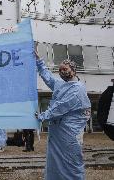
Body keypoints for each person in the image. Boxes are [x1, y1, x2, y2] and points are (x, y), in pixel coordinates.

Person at [35, 51, 91, 180]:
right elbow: (48, 77)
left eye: (65, 69)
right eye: (60, 70)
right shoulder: (61, 84)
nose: (62, 72)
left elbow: (61, 106)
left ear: (73, 70)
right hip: (57, 133)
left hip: (69, 134)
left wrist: (42, 116)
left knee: (71, 162)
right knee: (54, 164)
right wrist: (39, 61)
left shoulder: (78, 89)